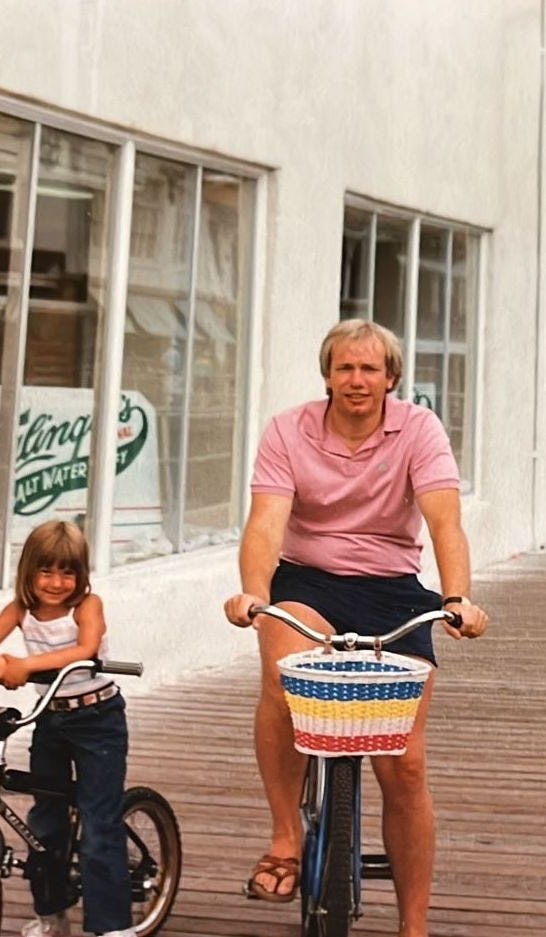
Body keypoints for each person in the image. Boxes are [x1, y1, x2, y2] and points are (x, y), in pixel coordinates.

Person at [223, 319, 488, 937]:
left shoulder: (419, 429)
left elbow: (445, 522)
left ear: (391, 378)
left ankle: (413, 926)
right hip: (307, 580)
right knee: (282, 684)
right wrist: (255, 595)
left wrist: (458, 599)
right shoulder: (289, 429)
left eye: (370, 369)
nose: (357, 380)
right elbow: (266, 523)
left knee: (407, 764)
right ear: (328, 375)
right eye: (345, 367)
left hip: (393, 588)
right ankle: (286, 837)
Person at [0, 520, 136, 937]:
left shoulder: (87, 606)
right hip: (51, 718)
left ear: (81, 575)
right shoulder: (20, 610)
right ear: (28, 572)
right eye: (46, 571)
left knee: (98, 824)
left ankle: (113, 926)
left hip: (99, 719)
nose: (57, 582)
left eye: (68, 572)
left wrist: (24, 665)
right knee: (45, 822)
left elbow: (85, 649)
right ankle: (52, 913)